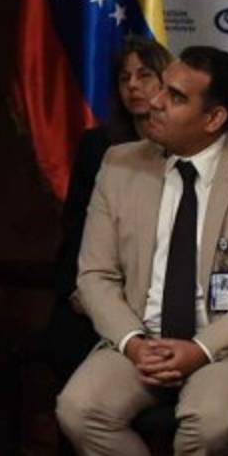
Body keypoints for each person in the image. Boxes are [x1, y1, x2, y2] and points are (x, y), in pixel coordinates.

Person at [56, 46, 228, 455]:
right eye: (162, 88)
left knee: (211, 424)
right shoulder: (119, 164)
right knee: (79, 409)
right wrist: (133, 343)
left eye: (175, 97)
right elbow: (95, 275)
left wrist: (201, 349)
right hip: (142, 339)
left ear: (214, 119)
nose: (155, 102)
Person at [45, 38, 173, 384]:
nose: (133, 86)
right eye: (124, 78)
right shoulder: (98, 147)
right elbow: (76, 226)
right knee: (67, 342)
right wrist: (79, 289)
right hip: (98, 277)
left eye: (144, 75)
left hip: (154, 287)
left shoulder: (183, 145)